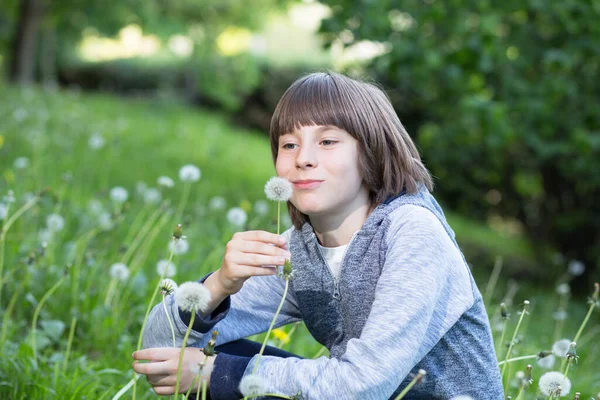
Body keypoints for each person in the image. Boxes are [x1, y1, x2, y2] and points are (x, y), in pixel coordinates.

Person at [132, 71, 505, 399]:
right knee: (221, 367)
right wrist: (219, 285)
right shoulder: (300, 252)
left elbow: (359, 386)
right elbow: (158, 349)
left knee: (227, 375)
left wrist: (213, 374)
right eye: (289, 144)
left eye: (327, 141)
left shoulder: (413, 232)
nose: (303, 158)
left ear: (370, 152)